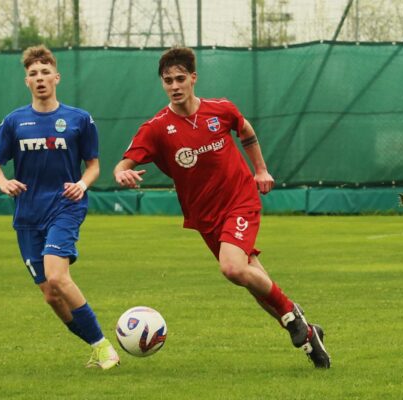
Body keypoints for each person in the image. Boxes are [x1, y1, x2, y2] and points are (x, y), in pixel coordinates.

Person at [113, 47, 330, 368]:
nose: (174, 86)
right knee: (250, 277)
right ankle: (309, 334)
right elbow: (122, 163)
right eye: (167, 80)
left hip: (240, 200)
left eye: (180, 79)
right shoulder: (157, 128)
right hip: (204, 216)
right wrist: (122, 173)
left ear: (193, 78)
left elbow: (246, 131)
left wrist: (260, 170)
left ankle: (293, 316)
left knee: (232, 268)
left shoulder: (221, 109)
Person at [0, 45, 119, 370]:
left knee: (58, 278)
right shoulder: (14, 122)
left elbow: (94, 165)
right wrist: (4, 183)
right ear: (27, 82)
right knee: (50, 295)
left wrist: (82, 185)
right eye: (33, 74)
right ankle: (94, 345)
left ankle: (104, 348)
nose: (40, 78)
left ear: (57, 77)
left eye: (45, 72)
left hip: (65, 207)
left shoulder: (79, 119)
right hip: (27, 215)